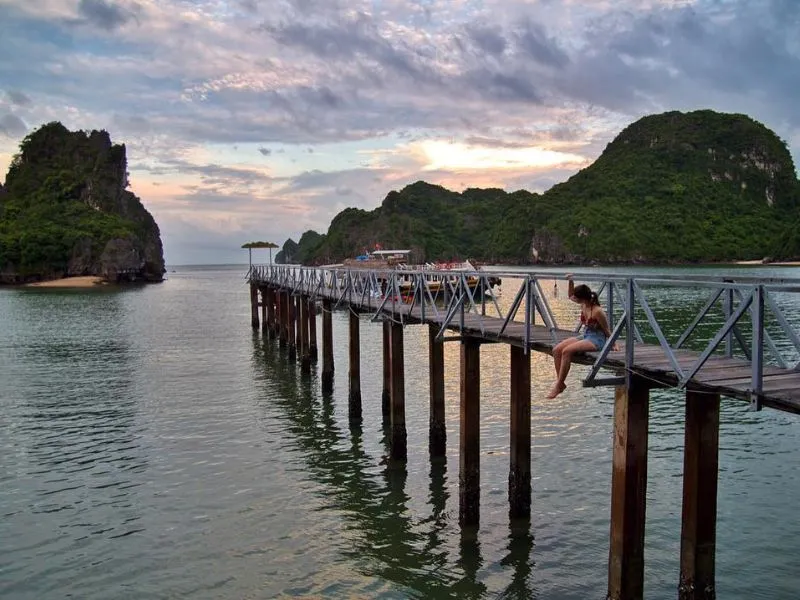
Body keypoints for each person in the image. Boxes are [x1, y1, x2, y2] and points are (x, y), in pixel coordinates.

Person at [546, 275, 615, 399]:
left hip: (597, 340)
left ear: (582, 298)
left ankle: (558, 385)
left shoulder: (598, 311)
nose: (574, 299)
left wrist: (613, 344)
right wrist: (570, 280)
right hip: (586, 335)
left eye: (576, 298)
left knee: (567, 351)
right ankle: (560, 383)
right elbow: (570, 295)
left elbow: (606, 330)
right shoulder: (583, 304)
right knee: (556, 350)